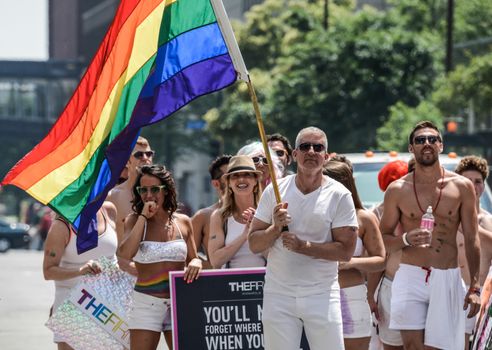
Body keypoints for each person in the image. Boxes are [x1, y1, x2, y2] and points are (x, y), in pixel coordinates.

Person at [249, 126, 358, 350]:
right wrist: (275, 228)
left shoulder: (340, 195)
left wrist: (303, 247)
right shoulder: (274, 191)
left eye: (318, 147)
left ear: (326, 156)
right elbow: (254, 243)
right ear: (295, 154)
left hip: (322, 294)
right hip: (278, 294)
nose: (311, 151)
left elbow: (345, 251)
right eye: (304, 146)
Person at [380, 121, 481, 350]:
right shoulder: (397, 189)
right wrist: (406, 239)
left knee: (440, 347)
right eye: (420, 140)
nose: (427, 143)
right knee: (412, 346)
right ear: (411, 148)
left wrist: (474, 286)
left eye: (432, 139)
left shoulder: (462, 186)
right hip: (410, 274)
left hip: (446, 274)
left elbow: (473, 238)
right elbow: (382, 239)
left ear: (441, 145)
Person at [117, 164, 201, 350]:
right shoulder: (133, 220)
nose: (148, 195)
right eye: (143, 189)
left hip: (179, 302)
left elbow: (194, 258)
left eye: (155, 189)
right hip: (146, 303)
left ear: (166, 191)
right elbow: (124, 254)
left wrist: (196, 262)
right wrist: (143, 218)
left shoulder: (184, 222)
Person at [324, 160, 386, 350]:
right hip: (318, 295)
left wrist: (349, 262)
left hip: (352, 295)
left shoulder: (363, 218)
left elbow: (380, 260)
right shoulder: (313, 214)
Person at [43, 201, 118, 350]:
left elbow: (117, 255)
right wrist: (80, 270)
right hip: (73, 309)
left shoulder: (108, 210)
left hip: (109, 307)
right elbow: (48, 271)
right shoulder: (61, 225)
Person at [367, 160, 409, 350]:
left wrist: (370, 294)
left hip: (396, 284)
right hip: (390, 285)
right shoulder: (375, 215)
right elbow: (379, 259)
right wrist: (370, 294)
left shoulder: (375, 213)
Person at [455, 155, 492, 349]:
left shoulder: (488, 220)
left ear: (484, 186)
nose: (473, 186)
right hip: (450, 292)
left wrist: (471, 229)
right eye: (467, 181)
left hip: (478, 296)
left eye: (478, 182)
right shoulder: (449, 218)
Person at [208, 155, 266, 268]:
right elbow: (215, 261)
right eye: (235, 176)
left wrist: (257, 230)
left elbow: (278, 257)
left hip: (266, 283)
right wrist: (245, 235)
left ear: (255, 181)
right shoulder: (219, 216)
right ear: (229, 183)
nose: (241, 179)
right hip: (231, 284)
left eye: (247, 175)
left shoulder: (267, 212)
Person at [107, 136, 154, 275]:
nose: (145, 158)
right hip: (123, 276)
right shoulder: (113, 196)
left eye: (149, 154)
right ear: (127, 161)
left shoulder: (162, 195)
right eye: (139, 154)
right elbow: (102, 242)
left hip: (155, 275)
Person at [191, 155, 231, 269]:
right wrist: (213, 267)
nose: (236, 179)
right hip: (218, 284)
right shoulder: (203, 216)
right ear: (216, 184)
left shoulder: (256, 211)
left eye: (238, 174)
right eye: (228, 176)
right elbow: (187, 258)